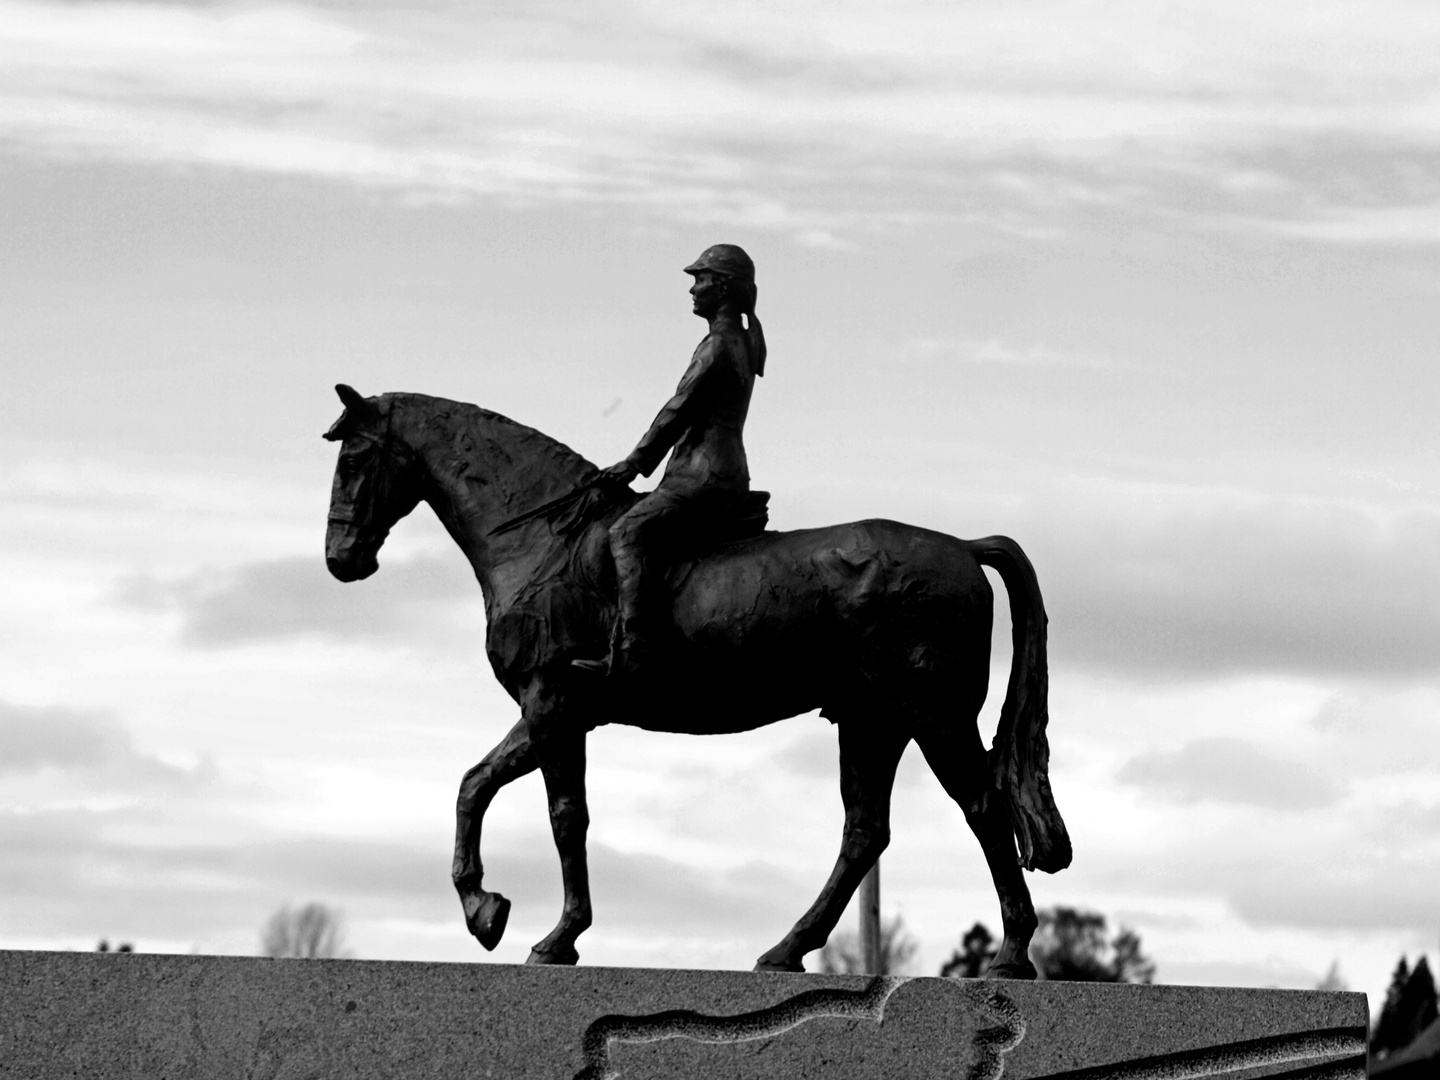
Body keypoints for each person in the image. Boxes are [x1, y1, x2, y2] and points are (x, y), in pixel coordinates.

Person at [574, 244, 766, 677]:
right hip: (720, 471)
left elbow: (677, 411)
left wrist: (632, 464)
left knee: (626, 533)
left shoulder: (719, 345)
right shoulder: (737, 339)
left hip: (704, 477)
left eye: (700, 280)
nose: (693, 290)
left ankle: (636, 648)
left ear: (722, 287)